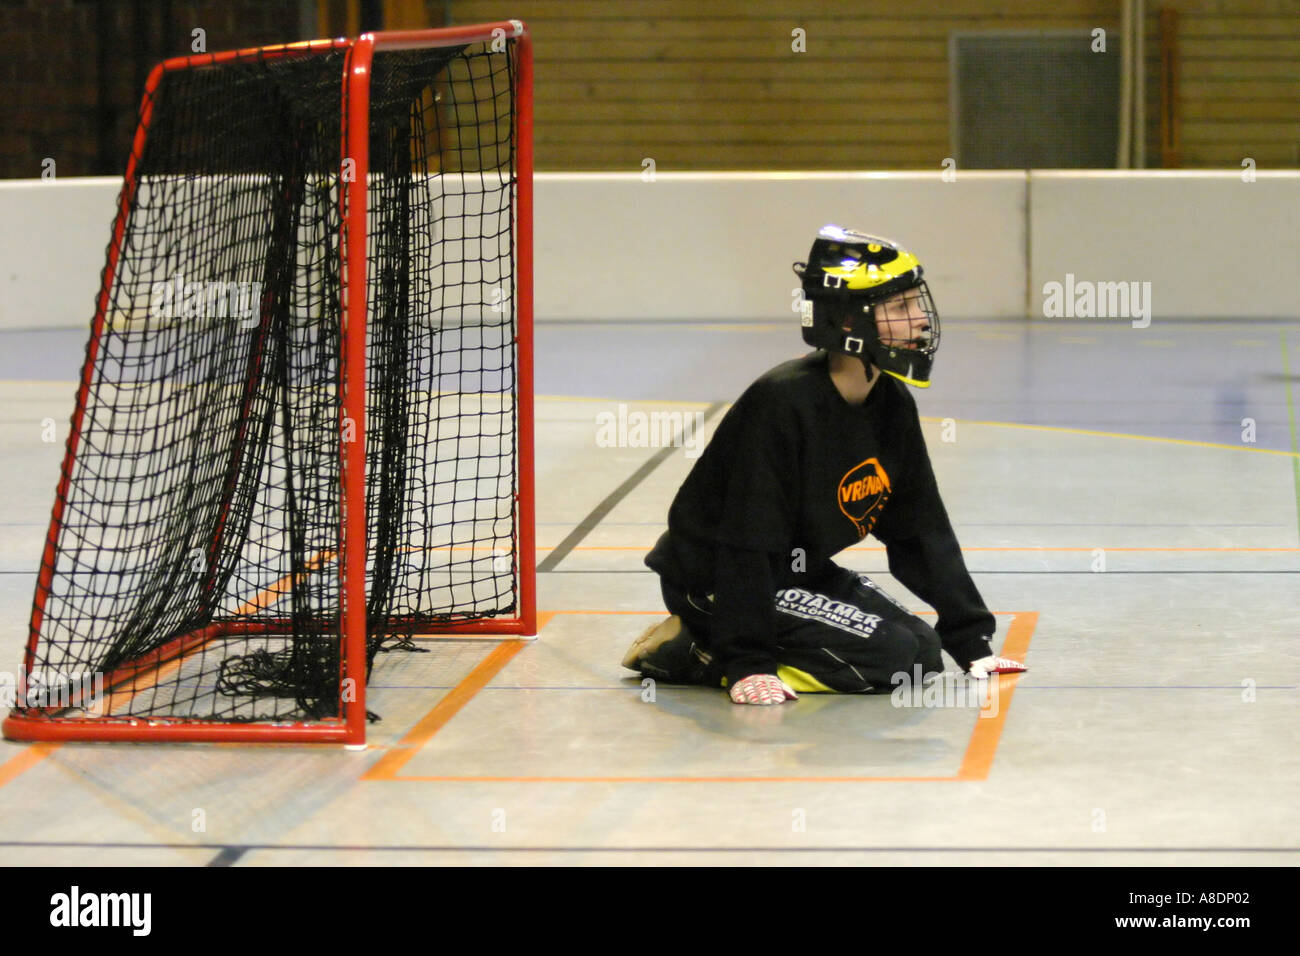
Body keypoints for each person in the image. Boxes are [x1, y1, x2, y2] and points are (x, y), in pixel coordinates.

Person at [622, 225, 1025, 705]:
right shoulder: (782, 402)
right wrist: (749, 662)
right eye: (899, 308)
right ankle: (697, 655)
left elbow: (920, 527)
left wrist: (969, 641)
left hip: (797, 573)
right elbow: (745, 541)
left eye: (917, 303)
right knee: (891, 656)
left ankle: (723, 646)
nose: (919, 320)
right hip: (714, 581)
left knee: (921, 653)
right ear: (849, 323)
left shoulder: (891, 401)